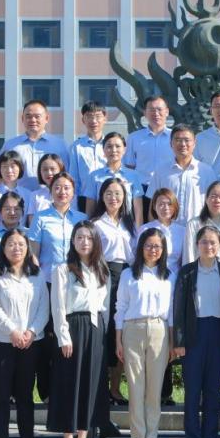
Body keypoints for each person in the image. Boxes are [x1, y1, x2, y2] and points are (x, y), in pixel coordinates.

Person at [0, 228, 48, 438]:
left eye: (21, 244)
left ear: (27, 247)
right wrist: (13, 331)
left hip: (31, 342)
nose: (16, 248)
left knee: (25, 395)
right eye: (11, 244)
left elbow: (43, 308)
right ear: (3, 248)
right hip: (3, 342)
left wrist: (31, 331)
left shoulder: (37, 275)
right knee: (1, 396)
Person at [172, 224, 220, 438]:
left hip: (217, 332)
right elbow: (179, 308)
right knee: (192, 389)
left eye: (213, 242)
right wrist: (179, 341)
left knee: (213, 389)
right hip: (194, 333)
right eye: (204, 242)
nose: (208, 246)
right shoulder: (187, 272)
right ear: (197, 245)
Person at [48, 221, 110, 438]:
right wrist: (63, 336)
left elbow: (103, 305)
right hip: (73, 327)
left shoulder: (100, 269)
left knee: (90, 383)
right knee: (70, 382)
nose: (85, 242)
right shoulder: (63, 269)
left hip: (95, 328)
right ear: (73, 241)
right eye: (80, 237)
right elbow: (58, 306)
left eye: (89, 238)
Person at [116, 228, 176, 438]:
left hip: (159, 330)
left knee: (154, 388)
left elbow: (171, 311)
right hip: (133, 329)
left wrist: (172, 341)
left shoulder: (169, 276)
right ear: (141, 247)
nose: (153, 250)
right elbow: (120, 307)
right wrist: (118, 339)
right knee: (135, 386)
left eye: (157, 246)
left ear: (163, 250)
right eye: (149, 245)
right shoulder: (129, 274)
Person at [26, 172, 85, 401]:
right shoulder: (41, 218)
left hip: (74, 285)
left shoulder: (81, 219)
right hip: (48, 283)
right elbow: (33, 254)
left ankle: (68, 388)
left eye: (66, 187)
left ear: (73, 191)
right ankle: (47, 391)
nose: (62, 192)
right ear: (50, 191)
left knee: (70, 336)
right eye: (57, 187)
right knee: (48, 336)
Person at [91, 178, 137, 417]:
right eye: (109, 193)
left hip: (126, 276)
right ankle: (101, 388)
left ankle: (116, 389)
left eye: (118, 193)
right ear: (102, 196)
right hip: (104, 275)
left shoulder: (130, 223)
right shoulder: (95, 224)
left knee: (122, 330)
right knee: (105, 329)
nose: (113, 198)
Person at [147, 124, 218, 226]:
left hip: (197, 229)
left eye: (187, 140)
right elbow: (152, 205)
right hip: (168, 230)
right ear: (171, 143)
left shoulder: (206, 171)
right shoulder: (161, 171)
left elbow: (213, 205)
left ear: (194, 143)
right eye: (178, 140)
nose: (183, 144)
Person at [1, 99, 70, 192]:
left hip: (49, 197)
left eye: (37, 116)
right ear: (22, 119)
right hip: (17, 198)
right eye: (28, 116)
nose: (33, 120)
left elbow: (67, 175)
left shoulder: (60, 145)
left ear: (46, 118)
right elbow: (0, 176)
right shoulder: (11, 145)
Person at [85, 131, 145, 227]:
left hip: (127, 226)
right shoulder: (94, 176)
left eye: (117, 146)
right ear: (103, 150)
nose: (113, 150)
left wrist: (139, 231)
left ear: (124, 149)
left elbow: (138, 209)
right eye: (109, 146)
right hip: (101, 226)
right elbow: (90, 208)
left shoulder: (133, 175)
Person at [123, 95, 173, 195]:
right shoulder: (134, 138)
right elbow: (129, 166)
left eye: (159, 109)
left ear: (167, 112)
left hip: (168, 188)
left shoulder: (175, 137)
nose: (156, 113)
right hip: (141, 189)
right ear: (145, 113)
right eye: (151, 110)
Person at [183, 180, 220, 267]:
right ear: (206, 199)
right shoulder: (193, 225)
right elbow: (188, 256)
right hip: (199, 274)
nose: (217, 200)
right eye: (213, 196)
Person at [67, 101, 108, 211]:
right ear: (83, 120)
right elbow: (73, 178)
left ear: (105, 118)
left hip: (109, 198)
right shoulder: (76, 147)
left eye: (98, 116)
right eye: (89, 116)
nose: (94, 121)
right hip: (84, 199)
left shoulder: (112, 145)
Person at [138, 188, 186, 274]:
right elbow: (138, 257)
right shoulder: (145, 229)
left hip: (174, 277)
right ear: (154, 206)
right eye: (161, 204)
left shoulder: (183, 231)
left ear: (175, 206)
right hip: (149, 275)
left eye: (169, 204)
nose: (166, 208)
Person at [0, 150, 33, 228]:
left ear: (20, 168)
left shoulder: (28, 194)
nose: (9, 170)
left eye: (13, 166)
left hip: (21, 234)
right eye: (4, 166)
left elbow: (31, 223)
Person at [24, 153, 68, 223]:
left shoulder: (69, 194)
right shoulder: (35, 196)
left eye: (52, 169)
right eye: (45, 169)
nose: (49, 173)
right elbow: (32, 224)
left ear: (61, 170)